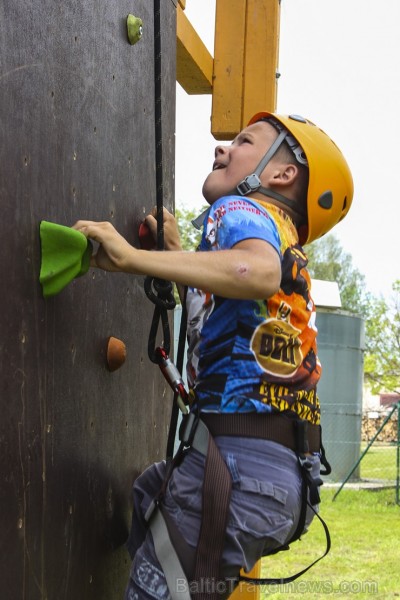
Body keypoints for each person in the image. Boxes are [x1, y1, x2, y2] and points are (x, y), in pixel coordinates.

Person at [73, 112, 353, 599]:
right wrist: (180, 254)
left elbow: (256, 271)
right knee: (148, 496)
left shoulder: (239, 210)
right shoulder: (287, 245)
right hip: (285, 485)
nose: (222, 149)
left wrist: (130, 258)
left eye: (243, 141)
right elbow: (222, 328)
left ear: (280, 173)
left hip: (234, 471)